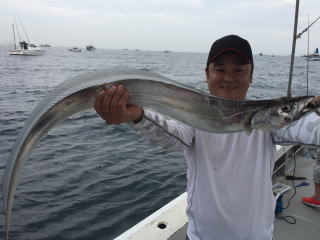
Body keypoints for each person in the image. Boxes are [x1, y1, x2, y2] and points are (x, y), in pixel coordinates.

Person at [94, 35, 320, 240]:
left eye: (239, 70)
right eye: (220, 69)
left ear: (251, 76)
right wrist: (137, 115)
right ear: (207, 75)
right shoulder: (195, 116)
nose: (229, 78)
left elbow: (309, 129)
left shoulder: (272, 122)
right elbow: (172, 137)